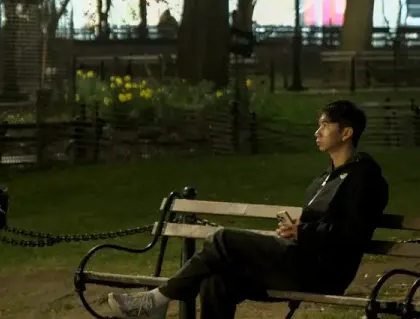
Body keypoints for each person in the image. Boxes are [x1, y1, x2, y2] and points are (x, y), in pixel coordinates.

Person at [105, 100, 389, 319]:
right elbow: (319, 226)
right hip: (297, 261)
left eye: (325, 125)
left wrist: (301, 232)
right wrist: (295, 232)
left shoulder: (365, 178)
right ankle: (158, 303)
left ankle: (157, 300)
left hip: (322, 272)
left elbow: (352, 235)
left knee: (222, 239)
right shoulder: (323, 179)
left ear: (347, 132)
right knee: (217, 282)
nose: (318, 132)